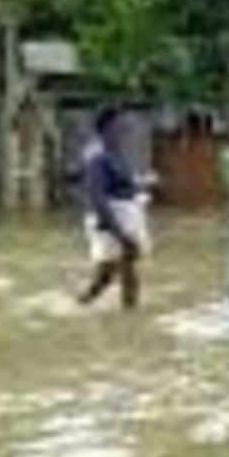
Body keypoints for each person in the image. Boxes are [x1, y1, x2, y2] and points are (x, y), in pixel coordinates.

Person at [77, 106, 150, 310]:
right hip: (111, 221)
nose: (125, 129)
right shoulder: (97, 157)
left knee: (115, 269)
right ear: (108, 127)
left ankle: (88, 303)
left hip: (123, 217)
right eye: (120, 125)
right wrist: (119, 232)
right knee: (121, 267)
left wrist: (140, 184)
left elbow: (122, 184)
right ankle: (128, 314)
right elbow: (97, 197)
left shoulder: (114, 153)